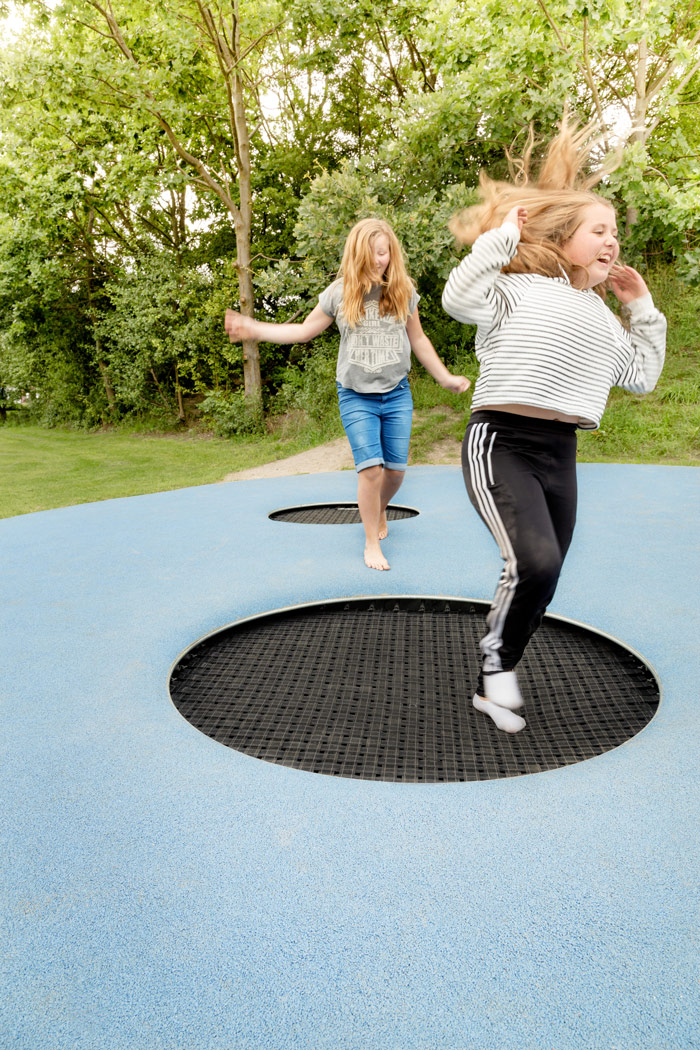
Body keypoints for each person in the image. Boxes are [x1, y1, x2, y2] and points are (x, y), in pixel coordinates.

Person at [442, 117, 666, 733]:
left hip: (559, 451)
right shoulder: (516, 289)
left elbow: (642, 376)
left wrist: (640, 309)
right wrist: (498, 244)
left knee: (547, 571)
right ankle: (495, 669)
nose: (611, 240)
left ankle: (497, 670)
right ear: (565, 236)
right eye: (599, 229)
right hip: (502, 440)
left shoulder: (600, 316)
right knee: (535, 563)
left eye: (615, 233)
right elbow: (458, 301)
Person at [225, 217, 470, 571]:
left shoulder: (403, 291)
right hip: (356, 396)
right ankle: (371, 541)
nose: (378, 261)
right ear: (356, 255)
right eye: (370, 255)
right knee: (371, 471)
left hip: (397, 393)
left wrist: (444, 377)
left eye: (383, 253)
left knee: (396, 473)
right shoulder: (340, 292)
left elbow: (418, 339)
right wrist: (254, 327)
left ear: (391, 253)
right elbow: (304, 331)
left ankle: (378, 509)